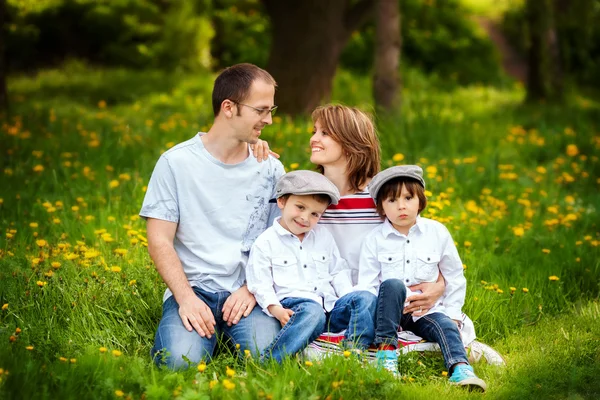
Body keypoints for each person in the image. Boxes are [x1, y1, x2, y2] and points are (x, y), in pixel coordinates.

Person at [140, 63, 284, 370]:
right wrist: (186, 298)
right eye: (261, 110)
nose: (269, 120)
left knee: (267, 360)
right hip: (194, 290)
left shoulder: (270, 169)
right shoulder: (175, 163)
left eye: (271, 110)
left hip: (249, 294)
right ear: (229, 108)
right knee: (177, 363)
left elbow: (281, 239)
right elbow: (159, 240)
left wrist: (252, 288)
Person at [357, 165, 486, 391]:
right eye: (392, 201)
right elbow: (367, 285)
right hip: (390, 313)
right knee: (393, 285)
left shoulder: (437, 232)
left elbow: (454, 275)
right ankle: (386, 356)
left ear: (421, 201)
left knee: (445, 325)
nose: (401, 206)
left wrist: (454, 313)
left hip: (426, 311)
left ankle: (460, 369)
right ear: (381, 208)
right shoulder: (375, 239)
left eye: (408, 197)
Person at [310, 105, 446, 315]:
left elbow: (418, 243)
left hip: (379, 301)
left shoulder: (383, 197)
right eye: (314, 132)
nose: (314, 139)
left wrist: (439, 285)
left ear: (350, 143)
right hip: (321, 297)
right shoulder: (307, 196)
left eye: (324, 133)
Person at [246, 170, 377, 362]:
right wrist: (276, 309)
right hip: (297, 308)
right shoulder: (266, 242)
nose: (305, 218)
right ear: (282, 202)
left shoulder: (322, 236)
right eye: (300, 207)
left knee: (365, 297)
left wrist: (348, 296)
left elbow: (337, 270)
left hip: (330, 307)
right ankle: (271, 361)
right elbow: (260, 283)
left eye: (315, 214)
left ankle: (354, 352)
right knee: (313, 311)